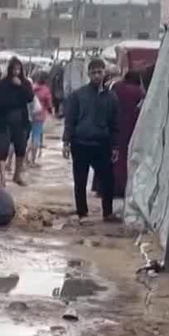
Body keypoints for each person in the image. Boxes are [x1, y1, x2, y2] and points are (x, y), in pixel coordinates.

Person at [62, 58, 120, 223]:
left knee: (108, 180)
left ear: (104, 73)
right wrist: (66, 143)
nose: (96, 75)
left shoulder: (112, 98)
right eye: (93, 72)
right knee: (80, 180)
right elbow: (70, 120)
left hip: (102, 144)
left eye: (99, 72)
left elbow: (115, 124)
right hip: (80, 143)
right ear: (88, 74)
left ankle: (107, 213)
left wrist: (115, 146)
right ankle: (82, 213)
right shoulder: (78, 95)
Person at [0, 57, 35, 187]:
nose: (16, 72)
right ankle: (3, 178)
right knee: (2, 149)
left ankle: (17, 175)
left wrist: (21, 86)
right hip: (4, 120)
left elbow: (30, 98)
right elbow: (1, 100)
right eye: (14, 69)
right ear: (10, 69)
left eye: (18, 69)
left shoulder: (25, 83)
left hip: (21, 121)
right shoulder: (3, 83)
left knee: (21, 148)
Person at [111, 69, 145, 200]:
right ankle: (123, 187)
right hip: (131, 128)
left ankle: (108, 188)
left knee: (112, 157)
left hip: (114, 127)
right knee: (127, 158)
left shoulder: (116, 87)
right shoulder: (138, 92)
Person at [29, 69, 54, 166]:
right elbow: (49, 104)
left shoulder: (32, 87)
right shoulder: (46, 90)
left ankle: (25, 159)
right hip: (39, 116)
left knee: (28, 137)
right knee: (36, 137)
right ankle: (32, 161)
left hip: (29, 115)